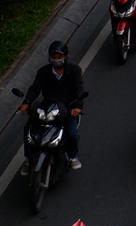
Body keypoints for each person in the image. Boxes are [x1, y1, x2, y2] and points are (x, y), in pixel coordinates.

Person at [17, 41, 86, 170]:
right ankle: (28, 159)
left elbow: (79, 90)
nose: (56, 60)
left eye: (59, 57)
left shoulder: (75, 71)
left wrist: (77, 107)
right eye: (54, 57)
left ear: (65, 57)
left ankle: (73, 156)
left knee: (72, 134)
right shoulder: (43, 72)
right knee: (29, 130)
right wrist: (26, 103)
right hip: (47, 108)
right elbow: (35, 89)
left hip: (68, 109)